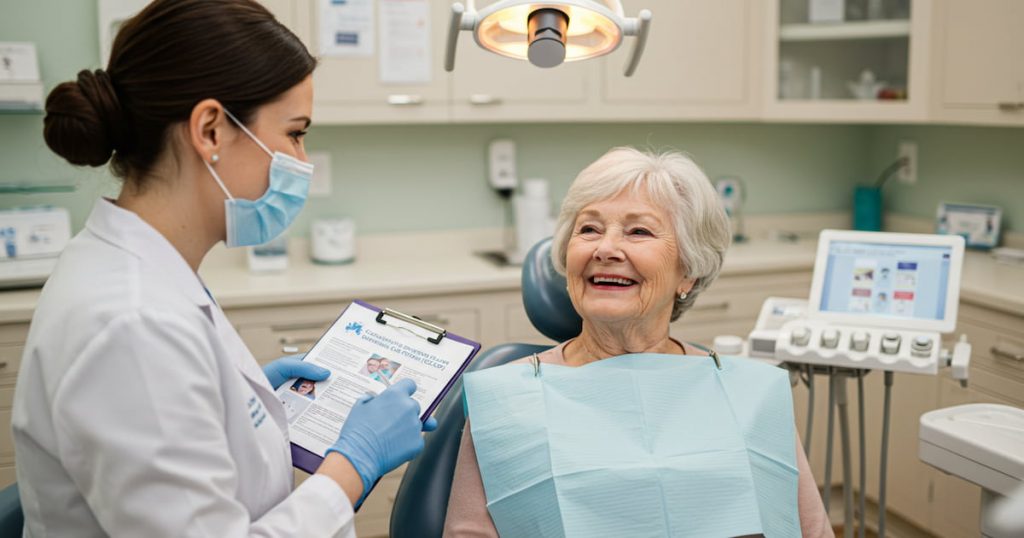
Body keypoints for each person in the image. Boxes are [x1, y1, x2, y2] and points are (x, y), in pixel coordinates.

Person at [12, 1, 434, 536]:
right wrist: (352, 465)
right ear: (211, 130)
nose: (302, 162)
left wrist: (244, 399)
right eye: (295, 133)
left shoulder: (138, 267)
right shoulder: (131, 323)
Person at [444, 148, 833, 537]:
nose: (606, 249)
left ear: (689, 273)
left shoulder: (750, 396)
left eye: (639, 231)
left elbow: (808, 529)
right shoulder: (505, 400)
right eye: (590, 229)